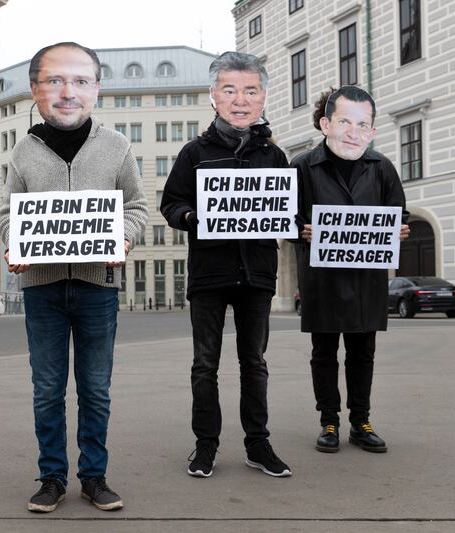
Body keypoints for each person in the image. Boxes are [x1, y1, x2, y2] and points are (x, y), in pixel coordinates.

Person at [0, 42, 147, 513]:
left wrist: (122, 238)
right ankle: (51, 477)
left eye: (80, 81)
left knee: (95, 387)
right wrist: (11, 242)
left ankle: (95, 476)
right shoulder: (22, 151)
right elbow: (8, 213)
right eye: (55, 81)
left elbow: (136, 207)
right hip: (40, 287)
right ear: (35, 90)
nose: (68, 91)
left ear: (96, 89)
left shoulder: (117, 147)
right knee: (46, 388)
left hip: (96, 286)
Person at [160, 51, 292, 478]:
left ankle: (258, 445)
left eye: (250, 90)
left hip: (257, 274)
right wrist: (191, 217)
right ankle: (205, 446)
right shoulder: (193, 152)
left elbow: (286, 210)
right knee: (205, 365)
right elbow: (171, 203)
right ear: (213, 96)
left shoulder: (275, 157)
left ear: (263, 97)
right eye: (230, 90)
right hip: (210, 275)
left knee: (254, 362)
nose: (240, 99)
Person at [293, 86, 409, 454]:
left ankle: (361, 420)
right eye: (344, 121)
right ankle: (329, 420)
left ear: (372, 130)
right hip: (322, 280)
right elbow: (282, 217)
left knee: (363, 353)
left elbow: (398, 212)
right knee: (323, 353)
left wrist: (400, 228)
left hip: (365, 281)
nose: (353, 131)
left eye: (363, 124)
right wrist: (300, 229)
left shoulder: (383, 167)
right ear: (326, 124)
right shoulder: (301, 167)